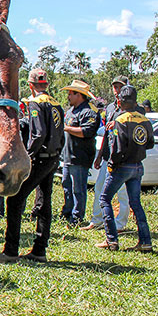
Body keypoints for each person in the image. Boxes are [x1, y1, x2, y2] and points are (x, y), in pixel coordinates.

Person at [0, 68, 64, 263]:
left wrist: (27, 155)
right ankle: (39, 249)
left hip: (40, 158)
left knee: (16, 200)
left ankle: (10, 250)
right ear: (47, 85)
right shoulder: (56, 103)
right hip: (53, 158)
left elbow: (38, 133)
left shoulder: (35, 103)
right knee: (44, 203)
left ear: (31, 85)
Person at [95, 85, 154, 252]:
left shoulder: (119, 121)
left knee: (105, 199)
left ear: (119, 102)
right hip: (137, 166)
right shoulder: (144, 120)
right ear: (135, 102)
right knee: (136, 204)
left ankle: (111, 240)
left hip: (121, 167)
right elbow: (149, 143)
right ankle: (145, 241)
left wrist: (112, 164)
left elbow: (116, 148)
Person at [82, 76, 130, 232]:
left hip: (124, 158)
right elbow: (107, 134)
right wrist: (99, 154)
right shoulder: (110, 108)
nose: (117, 91)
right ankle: (97, 220)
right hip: (108, 156)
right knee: (99, 187)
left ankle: (120, 224)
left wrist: (119, 123)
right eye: (115, 87)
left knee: (122, 192)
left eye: (120, 87)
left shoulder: (133, 108)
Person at [59, 79, 100, 226]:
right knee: (66, 186)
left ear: (79, 95)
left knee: (78, 189)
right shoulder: (71, 111)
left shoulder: (89, 111)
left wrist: (66, 128)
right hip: (68, 156)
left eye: (71, 94)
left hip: (80, 157)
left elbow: (87, 132)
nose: (68, 97)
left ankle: (77, 217)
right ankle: (67, 213)